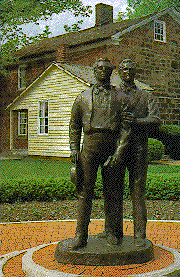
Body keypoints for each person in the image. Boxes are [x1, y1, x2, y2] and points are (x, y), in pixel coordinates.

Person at [69, 58, 125, 250]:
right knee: (85, 193)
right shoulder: (82, 96)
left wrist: (119, 150)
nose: (103, 71)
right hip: (90, 146)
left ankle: (112, 232)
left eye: (107, 69)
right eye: (99, 68)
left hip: (111, 144)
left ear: (111, 72)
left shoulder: (119, 96)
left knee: (113, 192)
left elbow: (125, 127)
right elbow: (74, 125)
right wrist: (74, 148)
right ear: (94, 71)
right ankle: (80, 235)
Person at [105, 59, 161, 246]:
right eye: (124, 69)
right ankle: (113, 232)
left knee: (138, 191)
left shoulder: (146, 96)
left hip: (138, 147)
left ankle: (140, 235)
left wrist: (136, 121)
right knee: (114, 189)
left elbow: (155, 119)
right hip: (116, 147)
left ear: (135, 72)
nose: (127, 72)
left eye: (130, 69)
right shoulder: (113, 93)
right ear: (119, 72)